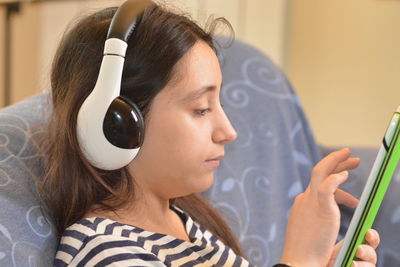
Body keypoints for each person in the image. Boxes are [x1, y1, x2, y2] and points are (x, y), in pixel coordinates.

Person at [40, 1, 380, 266]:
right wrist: (298, 261)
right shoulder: (105, 251)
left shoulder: (181, 222)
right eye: (201, 109)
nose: (228, 132)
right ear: (117, 123)